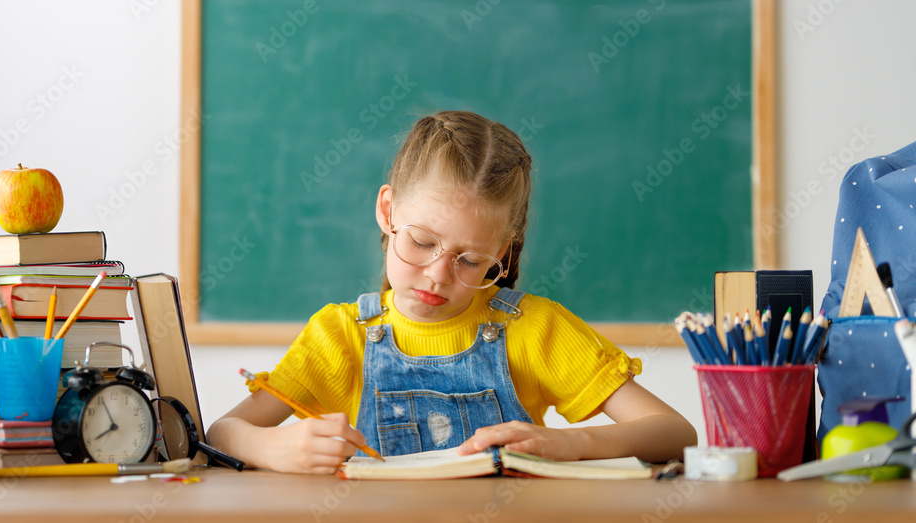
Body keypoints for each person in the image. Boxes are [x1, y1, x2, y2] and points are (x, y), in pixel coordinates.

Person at [207, 110, 696, 474]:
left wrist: (569, 443)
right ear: (387, 211)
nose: (438, 275)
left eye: (470, 260)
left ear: (502, 252)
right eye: (421, 242)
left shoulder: (534, 329)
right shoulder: (340, 337)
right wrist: (277, 448)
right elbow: (221, 433)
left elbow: (676, 434)